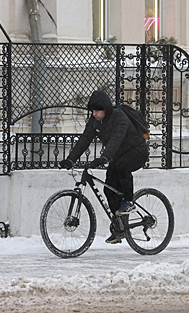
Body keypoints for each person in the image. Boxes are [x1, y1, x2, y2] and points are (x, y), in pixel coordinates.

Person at [59, 90, 149, 244]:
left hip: (137, 151)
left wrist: (104, 157)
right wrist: (70, 159)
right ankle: (119, 229)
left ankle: (129, 202)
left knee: (122, 167)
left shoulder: (119, 117)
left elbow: (116, 139)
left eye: (96, 111)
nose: (93, 114)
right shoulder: (95, 122)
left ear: (105, 110)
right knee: (108, 189)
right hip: (118, 155)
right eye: (92, 111)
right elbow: (84, 140)